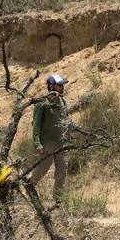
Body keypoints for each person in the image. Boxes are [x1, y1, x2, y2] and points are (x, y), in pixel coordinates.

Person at [31, 73, 69, 201]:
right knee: (43, 168)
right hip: (47, 143)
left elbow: (65, 120)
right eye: (60, 85)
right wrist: (37, 143)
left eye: (62, 84)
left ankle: (58, 199)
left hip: (61, 142)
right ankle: (29, 188)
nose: (62, 87)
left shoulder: (62, 101)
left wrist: (67, 135)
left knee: (62, 170)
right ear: (52, 86)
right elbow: (35, 124)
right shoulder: (41, 103)